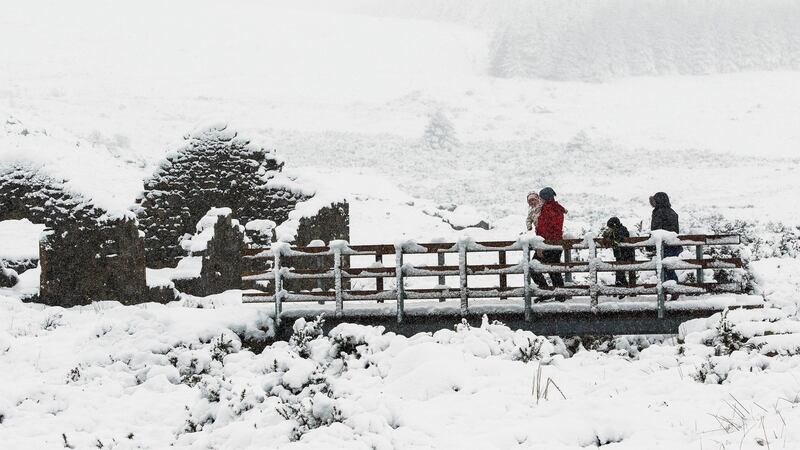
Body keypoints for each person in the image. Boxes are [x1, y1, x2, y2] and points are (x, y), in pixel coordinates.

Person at [650, 192, 681, 297]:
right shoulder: (672, 212)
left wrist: (650, 242)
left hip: (663, 245)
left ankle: (667, 292)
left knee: (661, 268)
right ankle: (673, 290)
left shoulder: (658, 212)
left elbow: (656, 230)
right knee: (669, 268)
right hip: (674, 245)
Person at [535, 187, 566, 289]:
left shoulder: (547, 209)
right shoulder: (556, 208)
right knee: (554, 270)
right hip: (556, 243)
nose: (539, 200)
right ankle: (560, 294)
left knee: (533, 266)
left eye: (541, 198)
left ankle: (545, 290)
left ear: (545, 198)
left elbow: (544, 229)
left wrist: (540, 246)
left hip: (547, 244)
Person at [602, 217, 636, 294]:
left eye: (610, 227)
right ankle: (622, 287)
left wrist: (612, 237)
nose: (609, 229)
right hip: (621, 253)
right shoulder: (616, 230)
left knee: (623, 269)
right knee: (619, 269)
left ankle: (626, 288)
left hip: (626, 253)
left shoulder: (622, 229)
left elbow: (619, 238)